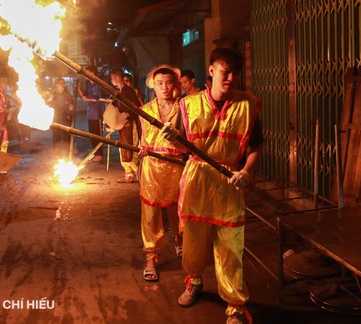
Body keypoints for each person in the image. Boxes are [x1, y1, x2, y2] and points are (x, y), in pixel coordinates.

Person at [163, 47, 263, 324]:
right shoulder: (190, 104)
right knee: (194, 244)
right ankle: (194, 281)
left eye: (234, 72)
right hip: (198, 183)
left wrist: (245, 170)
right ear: (211, 70)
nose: (230, 77)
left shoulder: (248, 104)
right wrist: (172, 137)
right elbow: (182, 146)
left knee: (231, 249)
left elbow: (256, 146)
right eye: (224, 71)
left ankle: (234, 306)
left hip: (230, 185)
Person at [137, 65, 184, 283]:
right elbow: (143, 140)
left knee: (178, 208)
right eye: (159, 83)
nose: (164, 87)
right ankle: (150, 256)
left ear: (174, 84)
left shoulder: (184, 108)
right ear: (152, 86)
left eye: (168, 82)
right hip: (152, 168)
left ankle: (180, 241)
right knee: (150, 213)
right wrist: (142, 148)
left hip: (176, 165)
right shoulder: (144, 110)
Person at [110, 68, 142, 183]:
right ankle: (129, 174)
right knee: (124, 150)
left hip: (130, 125)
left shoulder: (127, 91)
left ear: (118, 78)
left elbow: (136, 108)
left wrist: (125, 118)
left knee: (131, 150)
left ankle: (141, 174)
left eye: (112, 78)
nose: (111, 81)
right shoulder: (121, 91)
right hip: (124, 126)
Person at [78, 65, 104, 164]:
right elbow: (85, 97)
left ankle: (99, 155)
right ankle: (96, 154)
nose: (85, 76)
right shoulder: (90, 86)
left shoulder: (98, 86)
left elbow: (100, 99)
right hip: (91, 114)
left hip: (97, 114)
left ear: (92, 74)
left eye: (87, 73)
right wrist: (79, 89)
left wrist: (87, 99)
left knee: (97, 135)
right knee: (92, 135)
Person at [49, 77, 75, 158]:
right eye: (61, 83)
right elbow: (49, 105)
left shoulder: (68, 95)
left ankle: (67, 155)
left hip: (66, 119)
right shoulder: (52, 95)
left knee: (67, 138)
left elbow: (72, 105)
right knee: (57, 139)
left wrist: (71, 106)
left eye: (64, 83)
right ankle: (57, 156)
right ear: (56, 85)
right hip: (56, 120)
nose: (63, 85)